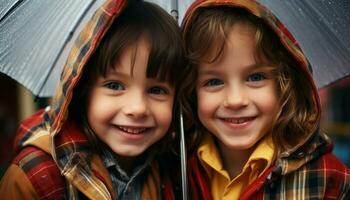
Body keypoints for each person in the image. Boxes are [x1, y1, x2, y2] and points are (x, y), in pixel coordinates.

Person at [0, 0, 185, 199]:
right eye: (115, 86)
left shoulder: (174, 169)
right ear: (82, 90)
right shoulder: (36, 177)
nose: (137, 108)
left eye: (157, 90)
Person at [180, 0, 350, 199]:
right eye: (214, 82)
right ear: (191, 90)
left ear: (284, 85)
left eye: (255, 77)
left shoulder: (326, 179)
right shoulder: (176, 173)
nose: (235, 100)